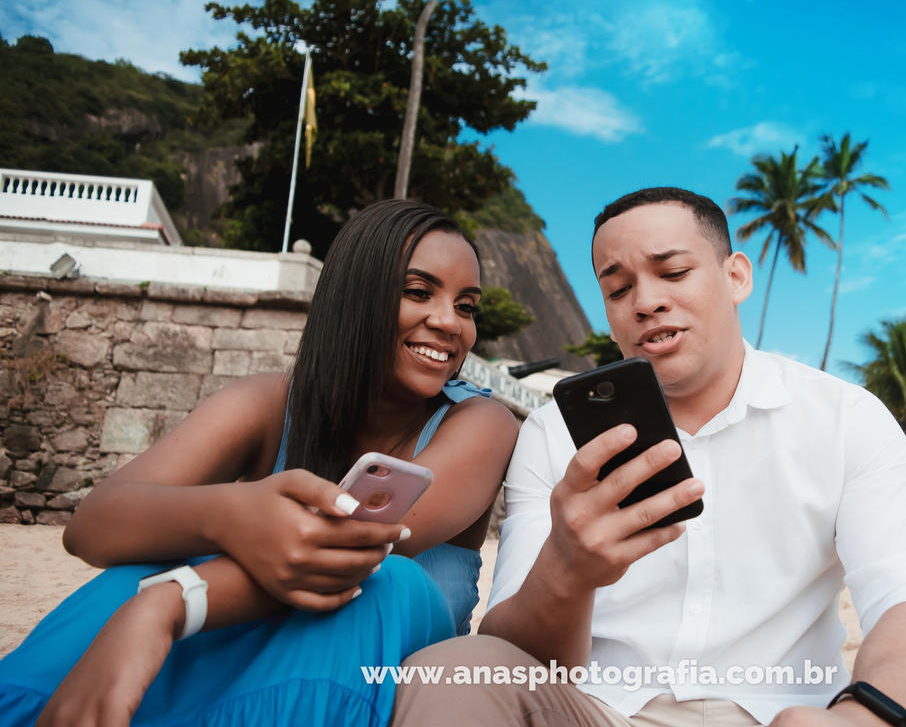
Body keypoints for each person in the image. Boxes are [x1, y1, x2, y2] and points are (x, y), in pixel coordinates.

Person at [390, 188, 906, 727]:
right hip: (599, 712)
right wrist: (567, 573)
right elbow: (512, 648)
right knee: (452, 671)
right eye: (617, 287)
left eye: (673, 271)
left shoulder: (842, 418)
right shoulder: (552, 433)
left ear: (736, 274)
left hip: (796, 715)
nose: (646, 300)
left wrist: (864, 716)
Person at [0, 199, 520, 726]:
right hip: (236, 643)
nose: (449, 322)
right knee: (137, 570)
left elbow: (347, 552)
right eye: (419, 292)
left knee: (388, 579)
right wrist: (232, 514)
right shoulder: (269, 403)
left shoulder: (482, 424)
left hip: (376, 671)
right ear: (356, 295)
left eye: (466, 306)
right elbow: (93, 525)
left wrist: (168, 604)